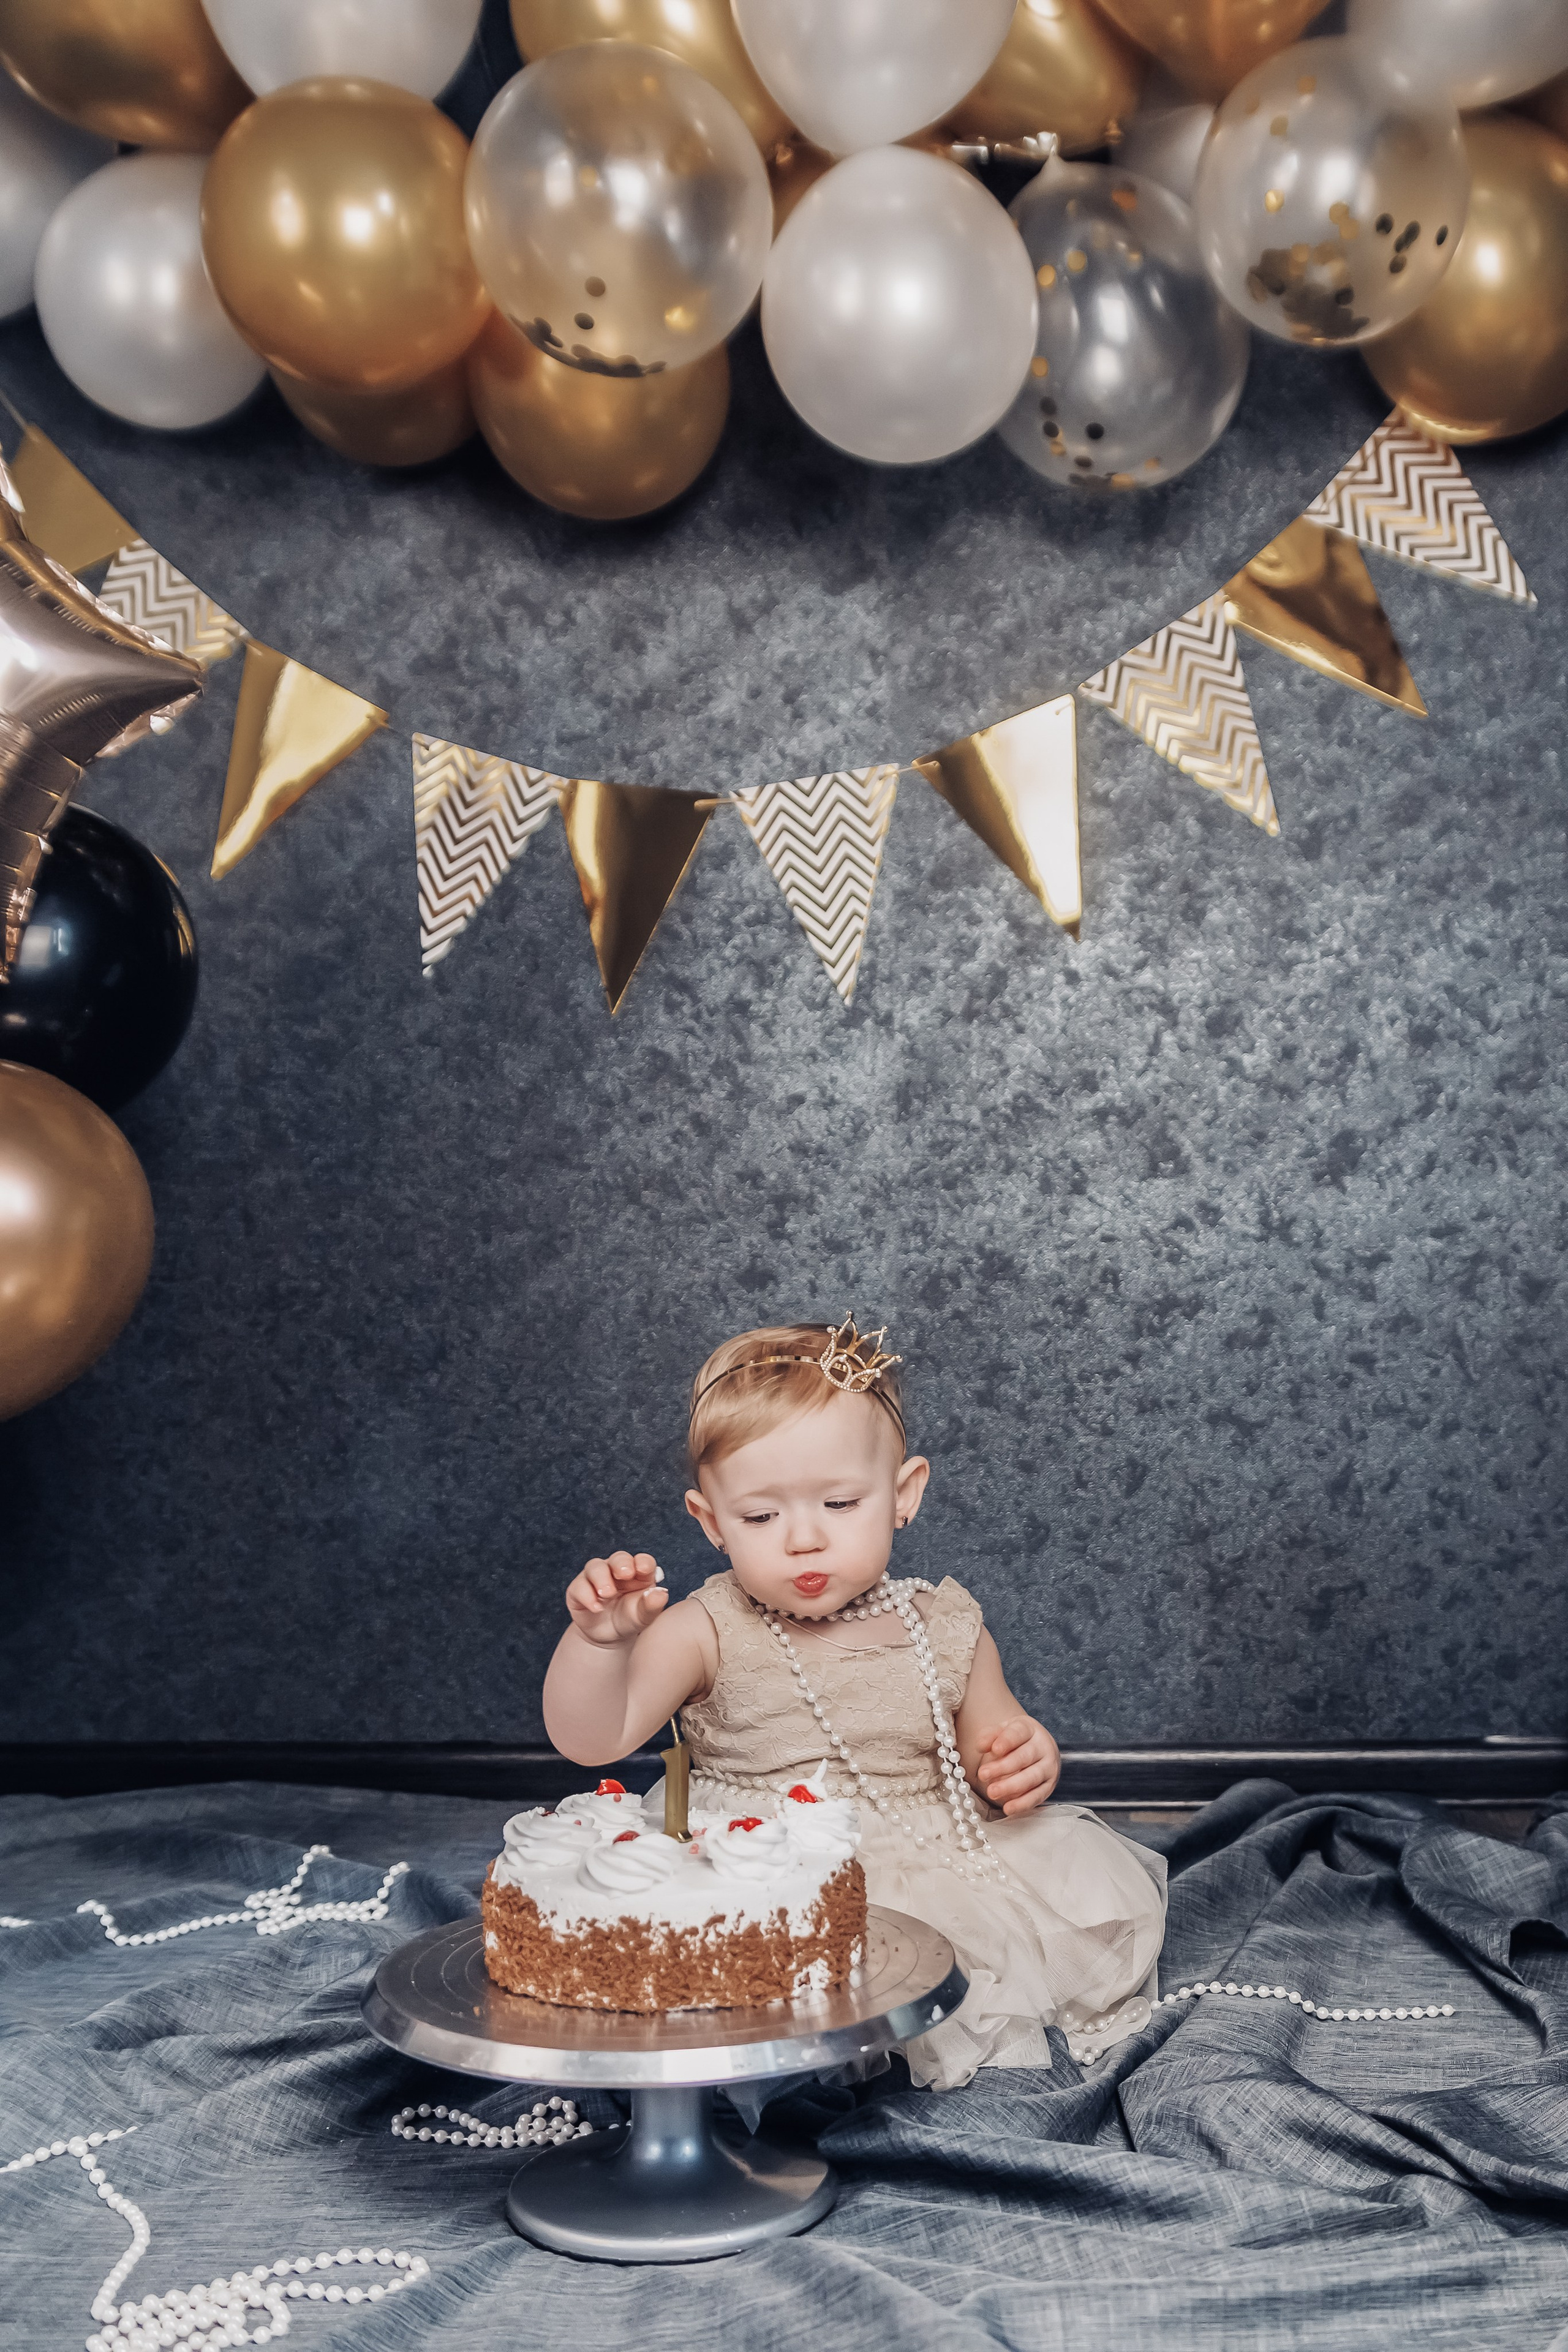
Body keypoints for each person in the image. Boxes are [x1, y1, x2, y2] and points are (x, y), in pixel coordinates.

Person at [542, 1316, 1166, 2084]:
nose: (803, 1538)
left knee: (998, 1923)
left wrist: (1021, 1758)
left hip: (924, 1861)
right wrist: (598, 1645)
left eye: (840, 1504)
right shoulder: (704, 1629)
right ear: (711, 1522)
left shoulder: (942, 1626)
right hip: (758, 1866)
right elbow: (593, 1739)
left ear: (903, 1494)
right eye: (760, 1516)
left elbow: (991, 1749)